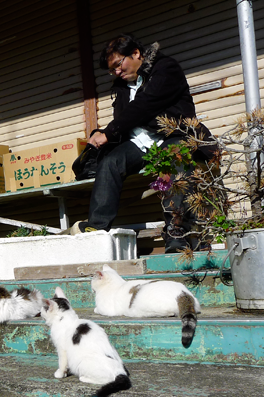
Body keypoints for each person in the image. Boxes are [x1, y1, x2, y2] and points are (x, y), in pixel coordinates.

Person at [69, 34, 214, 253]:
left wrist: (110, 132)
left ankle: (178, 233)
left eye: (118, 64)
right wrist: (103, 134)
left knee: (173, 161)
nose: (116, 72)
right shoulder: (121, 86)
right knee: (111, 162)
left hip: (173, 134)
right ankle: (97, 226)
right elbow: (125, 117)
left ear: (136, 53)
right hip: (141, 141)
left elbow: (145, 104)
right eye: (112, 70)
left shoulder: (166, 68)